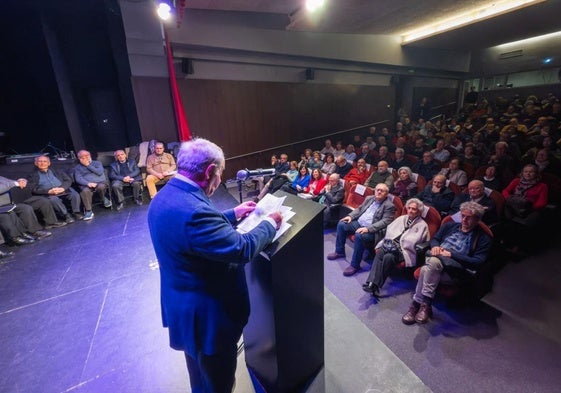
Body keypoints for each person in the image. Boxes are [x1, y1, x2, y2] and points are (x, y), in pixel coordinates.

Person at [147, 138, 282, 393]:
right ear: (210, 171)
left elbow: (191, 230)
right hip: (208, 318)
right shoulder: (194, 211)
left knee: (200, 377)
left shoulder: (165, 196)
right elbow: (241, 249)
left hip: (184, 309)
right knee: (218, 384)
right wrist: (269, 224)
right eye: (220, 173)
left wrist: (232, 214)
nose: (219, 178)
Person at [401, 201, 492, 325]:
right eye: (463, 216)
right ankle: (425, 305)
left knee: (426, 269)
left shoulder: (483, 238)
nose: (464, 220)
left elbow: (478, 261)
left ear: (477, 219)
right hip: (436, 261)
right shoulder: (449, 226)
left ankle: (416, 304)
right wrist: (435, 247)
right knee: (432, 263)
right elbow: (435, 239)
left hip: (454, 270)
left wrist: (451, 254)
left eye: (469, 218)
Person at [362, 198, 430, 297]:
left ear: (419, 211)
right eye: (409, 208)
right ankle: (372, 284)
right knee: (382, 253)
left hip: (405, 251)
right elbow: (390, 230)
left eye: (413, 209)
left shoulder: (423, 225)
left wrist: (403, 241)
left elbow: (421, 242)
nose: (410, 211)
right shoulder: (402, 218)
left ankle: (374, 284)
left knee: (388, 257)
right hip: (390, 246)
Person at [327, 183, 395, 277]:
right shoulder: (369, 198)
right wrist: (350, 216)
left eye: (382, 191)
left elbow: (385, 222)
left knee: (359, 236)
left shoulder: (389, 206)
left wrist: (368, 228)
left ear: (386, 194)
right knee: (341, 224)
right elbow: (359, 209)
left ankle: (355, 265)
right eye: (377, 189)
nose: (379, 192)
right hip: (358, 223)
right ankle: (339, 252)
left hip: (373, 230)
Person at [26, 155, 82, 221]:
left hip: (62, 188)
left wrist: (63, 188)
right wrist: (48, 191)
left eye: (45, 161)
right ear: (36, 163)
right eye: (40, 161)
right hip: (48, 192)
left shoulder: (57, 170)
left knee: (74, 194)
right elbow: (33, 189)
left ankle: (76, 212)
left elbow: (68, 180)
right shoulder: (32, 175)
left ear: (49, 163)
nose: (42, 163)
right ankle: (66, 215)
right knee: (54, 199)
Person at [0, 176, 53, 244]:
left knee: (25, 208)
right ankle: (16, 237)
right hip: (2, 205)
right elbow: (10, 184)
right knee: (8, 213)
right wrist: (15, 183)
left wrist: (20, 181)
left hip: (10, 202)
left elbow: (10, 182)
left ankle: (33, 231)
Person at [74, 150, 111, 221]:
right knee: (84, 191)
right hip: (86, 185)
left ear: (90, 155)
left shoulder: (97, 163)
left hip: (99, 182)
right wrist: (88, 183)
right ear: (79, 158)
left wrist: (88, 165)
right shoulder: (77, 168)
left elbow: (100, 172)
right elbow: (78, 179)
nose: (86, 158)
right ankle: (89, 211)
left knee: (101, 187)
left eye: (87, 156)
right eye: (83, 157)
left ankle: (103, 198)